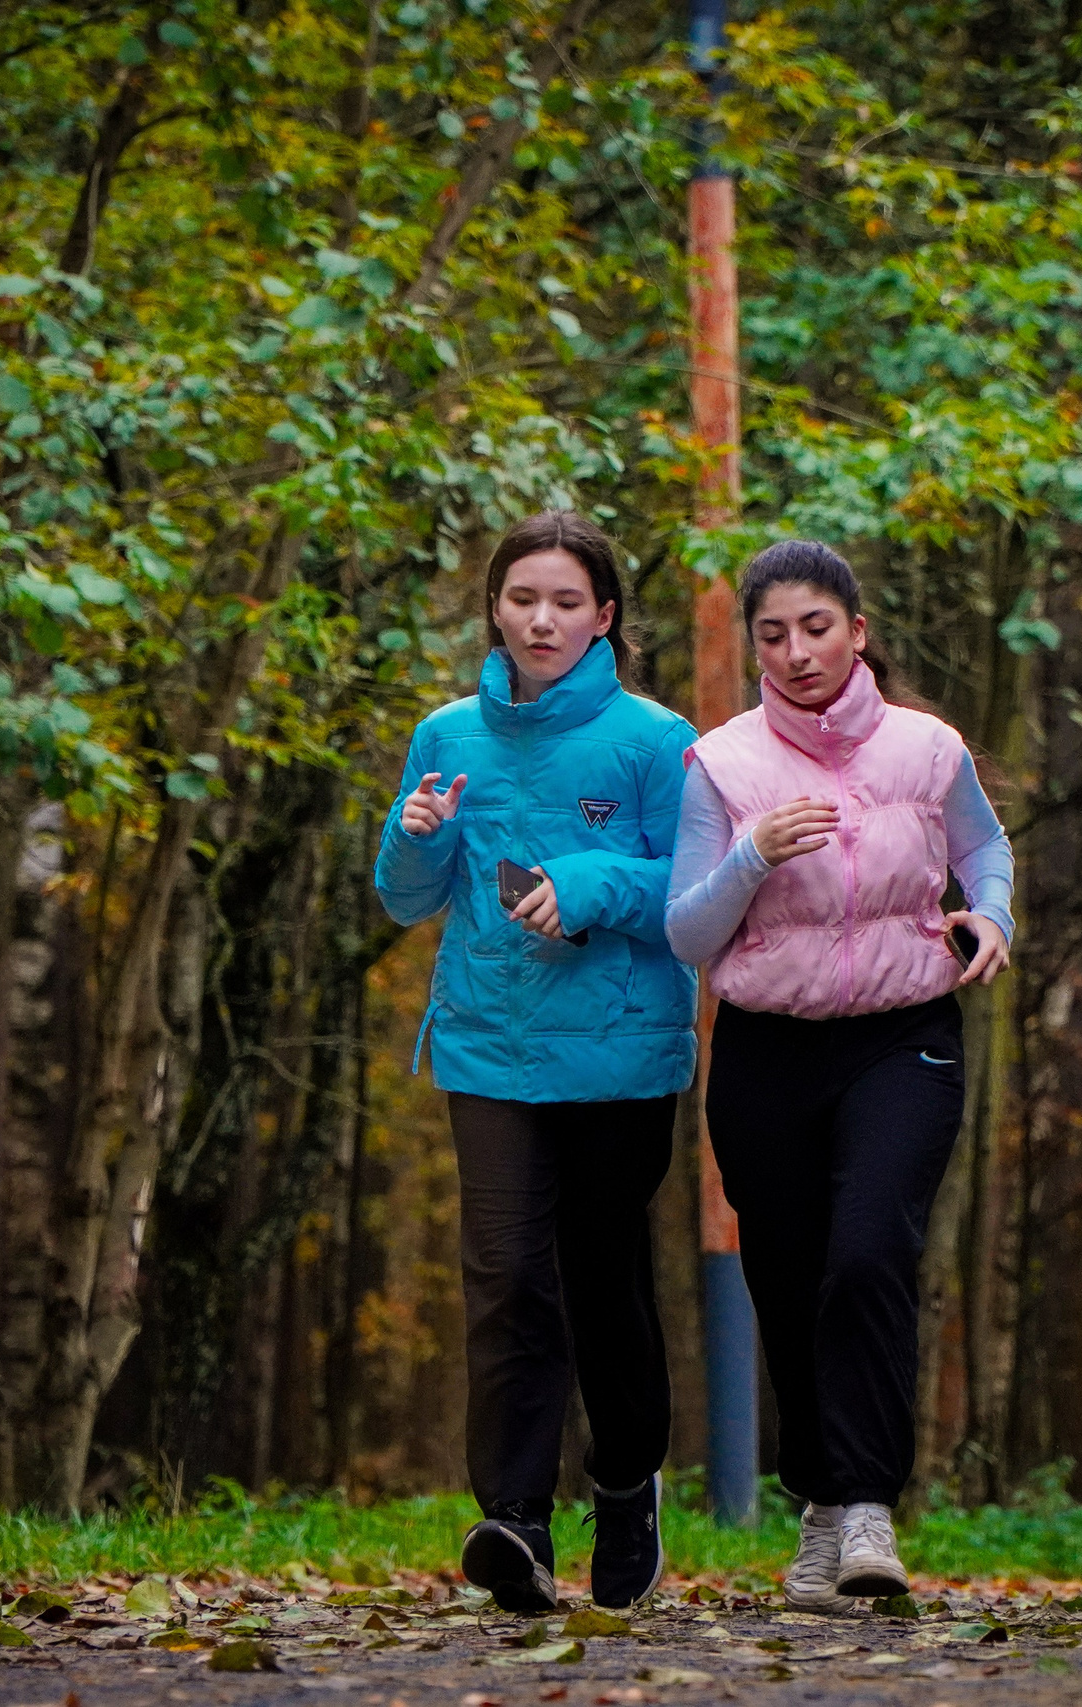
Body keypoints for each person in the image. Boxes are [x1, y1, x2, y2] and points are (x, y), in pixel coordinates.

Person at [665, 540, 1014, 1612]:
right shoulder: (722, 766)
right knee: (790, 1278)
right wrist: (752, 854)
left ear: (856, 631)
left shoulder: (926, 749)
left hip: (902, 1036)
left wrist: (989, 916)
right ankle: (820, 1507)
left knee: (869, 1253)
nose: (796, 650)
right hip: (768, 1053)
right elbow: (686, 932)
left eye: (816, 626)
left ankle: (865, 1505)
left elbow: (984, 851)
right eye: (772, 634)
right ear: (754, 649)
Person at [373, 511, 698, 1613]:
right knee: (505, 1280)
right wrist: (414, 834)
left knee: (602, 1282)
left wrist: (594, 883)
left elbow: (693, 899)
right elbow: (404, 899)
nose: (541, 619)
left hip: (616, 1056)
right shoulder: (445, 734)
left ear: (604, 617)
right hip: (487, 1049)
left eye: (565, 601)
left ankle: (622, 1486)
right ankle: (513, 1522)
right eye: (522, 599)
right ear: (494, 611)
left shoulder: (656, 741)